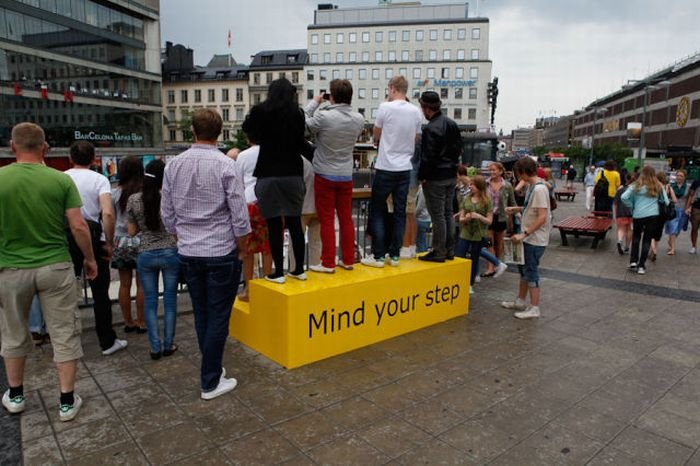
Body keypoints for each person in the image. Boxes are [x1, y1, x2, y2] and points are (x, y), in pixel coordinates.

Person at [0, 122, 97, 421]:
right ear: (44, 148)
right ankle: (66, 401)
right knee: (64, 332)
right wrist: (90, 259)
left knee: (13, 332)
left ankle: (15, 395)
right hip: (55, 265)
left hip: (12, 268)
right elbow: (78, 226)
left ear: (12, 147)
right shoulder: (59, 180)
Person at [162, 108, 251, 400]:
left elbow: (167, 212)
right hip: (220, 249)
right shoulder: (227, 165)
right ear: (221, 132)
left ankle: (212, 369)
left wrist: (180, 235)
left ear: (192, 130)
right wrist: (243, 246)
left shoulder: (173, 165)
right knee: (218, 316)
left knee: (202, 313)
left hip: (189, 250)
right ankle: (210, 380)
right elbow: (239, 213)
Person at [242, 78, 308, 282]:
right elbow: (300, 142)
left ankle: (278, 272)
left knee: (273, 224)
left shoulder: (261, 112)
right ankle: (299, 270)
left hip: (268, 172)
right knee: (295, 221)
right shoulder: (297, 114)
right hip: (292, 173)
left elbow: (248, 129)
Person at [65, 141, 127, 356]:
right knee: (100, 292)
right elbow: (108, 213)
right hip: (93, 237)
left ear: (70, 158)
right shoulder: (100, 180)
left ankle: (68, 343)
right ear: (94, 159)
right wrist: (108, 242)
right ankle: (107, 341)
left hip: (67, 237)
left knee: (66, 292)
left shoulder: (62, 178)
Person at [361, 76, 422, 268]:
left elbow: (376, 133)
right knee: (400, 212)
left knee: (378, 210)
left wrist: (383, 140)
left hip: (386, 166)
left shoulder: (385, 107)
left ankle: (379, 256)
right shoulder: (415, 111)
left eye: (388, 89)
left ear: (393, 88)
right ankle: (395, 255)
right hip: (405, 168)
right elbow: (417, 137)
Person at [304, 79, 364, 273]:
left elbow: (302, 123)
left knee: (327, 219)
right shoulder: (358, 119)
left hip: (324, 173)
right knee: (346, 218)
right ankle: (347, 260)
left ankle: (328, 262)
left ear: (333, 96)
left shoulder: (324, 117)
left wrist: (315, 102)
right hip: (346, 174)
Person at [128, 160, 179, 360]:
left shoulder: (133, 200)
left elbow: (132, 231)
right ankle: (168, 344)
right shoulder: (169, 198)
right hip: (169, 251)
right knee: (169, 300)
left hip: (146, 254)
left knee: (150, 301)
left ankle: (154, 347)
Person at [500, 157, 551, 319]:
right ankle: (521, 300)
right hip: (529, 237)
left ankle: (534, 307)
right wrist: (517, 209)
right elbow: (534, 208)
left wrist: (525, 233)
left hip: (534, 239)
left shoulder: (539, 189)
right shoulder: (533, 186)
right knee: (524, 270)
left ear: (522, 172)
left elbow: (542, 217)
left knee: (531, 271)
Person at [416, 91, 462, 263]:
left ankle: (438, 251)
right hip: (450, 174)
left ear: (426, 108)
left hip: (435, 177)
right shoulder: (452, 124)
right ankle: (449, 249)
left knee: (437, 216)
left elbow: (427, 157)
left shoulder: (430, 129)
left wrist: (422, 176)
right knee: (448, 212)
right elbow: (458, 149)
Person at [235, 142, 273, 302]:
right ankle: (268, 286)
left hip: (249, 201)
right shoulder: (272, 151)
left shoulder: (242, 156)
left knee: (248, 249)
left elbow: (238, 183)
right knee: (268, 247)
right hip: (269, 201)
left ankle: (249, 289)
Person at [111, 155, 145, 333]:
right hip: (141, 240)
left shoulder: (115, 193)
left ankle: (128, 322)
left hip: (121, 240)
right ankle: (142, 321)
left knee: (124, 284)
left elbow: (110, 218)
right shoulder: (144, 193)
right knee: (142, 284)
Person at [621, 166, 669, 275]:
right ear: (654, 174)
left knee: (636, 238)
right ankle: (641, 266)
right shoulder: (658, 186)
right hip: (653, 216)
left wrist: (632, 205)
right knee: (647, 240)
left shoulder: (636, 185)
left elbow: (623, 197)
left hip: (638, 215)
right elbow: (666, 202)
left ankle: (633, 261)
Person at [455, 175, 492, 293]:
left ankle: (470, 283)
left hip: (478, 233)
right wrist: (465, 218)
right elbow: (461, 218)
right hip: (465, 232)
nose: (470, 187)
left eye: (473, 185)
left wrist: (479, 216)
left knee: (474, 258)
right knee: (460, 256)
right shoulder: (466, 199)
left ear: (479, 186)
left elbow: (489, 220)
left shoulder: (486, 201)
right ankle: (459, 281)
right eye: (470, 184)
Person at [482, 162, 515, 277]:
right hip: (488, 216)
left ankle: (498, 264)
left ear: (500, 171)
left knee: (499, 243)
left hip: (501, 217)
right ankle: (490, 267)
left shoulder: (507, 185)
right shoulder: (485, 184)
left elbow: (512, 203)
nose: (491, 172)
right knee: (489, 242)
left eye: (494, 170)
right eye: (490, 170)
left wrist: (512, 218)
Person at [649, 172, 676, 262]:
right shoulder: (668, 187)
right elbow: (674, 200)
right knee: (658, 233)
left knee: (651, 232)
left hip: (653, 211)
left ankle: (654, 250)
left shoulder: (653, 186)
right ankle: (654, 250)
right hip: (663, 214)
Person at [665, 170, 689, 255]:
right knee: (673, 229)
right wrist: (668, 189)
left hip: (683, 210)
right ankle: (673, 249)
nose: (679, 177)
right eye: (678, 175)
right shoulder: (671, 186)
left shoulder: (687, 187)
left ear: (684, 177)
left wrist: (689, 208)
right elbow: (666, 197)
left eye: (681, 176)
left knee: (678, 229)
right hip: (673, 210)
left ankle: (671, 241)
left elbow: (690, 198)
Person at [613, 174, 634, 255]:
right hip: (632, 213)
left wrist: (616, 213)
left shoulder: (620, 190)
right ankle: (627, 247)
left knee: (621, 229)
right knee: (630, 229)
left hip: (621, 212)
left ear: (626, 180)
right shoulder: (634, 191)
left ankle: (620, 240)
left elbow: (615, 203)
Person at [685, 174, 700, 254]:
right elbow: (691, 195)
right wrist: (687, 207)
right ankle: (693, 246)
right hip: (696, 208)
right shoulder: (696, 182)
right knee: (694, 228)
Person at [415, 185, 432, 253]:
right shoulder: (431, 188)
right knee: (424, 242)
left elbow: (420, 206)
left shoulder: (423, 190)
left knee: (420, 242)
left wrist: (414, 215)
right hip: (428, 218)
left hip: (421, 218)